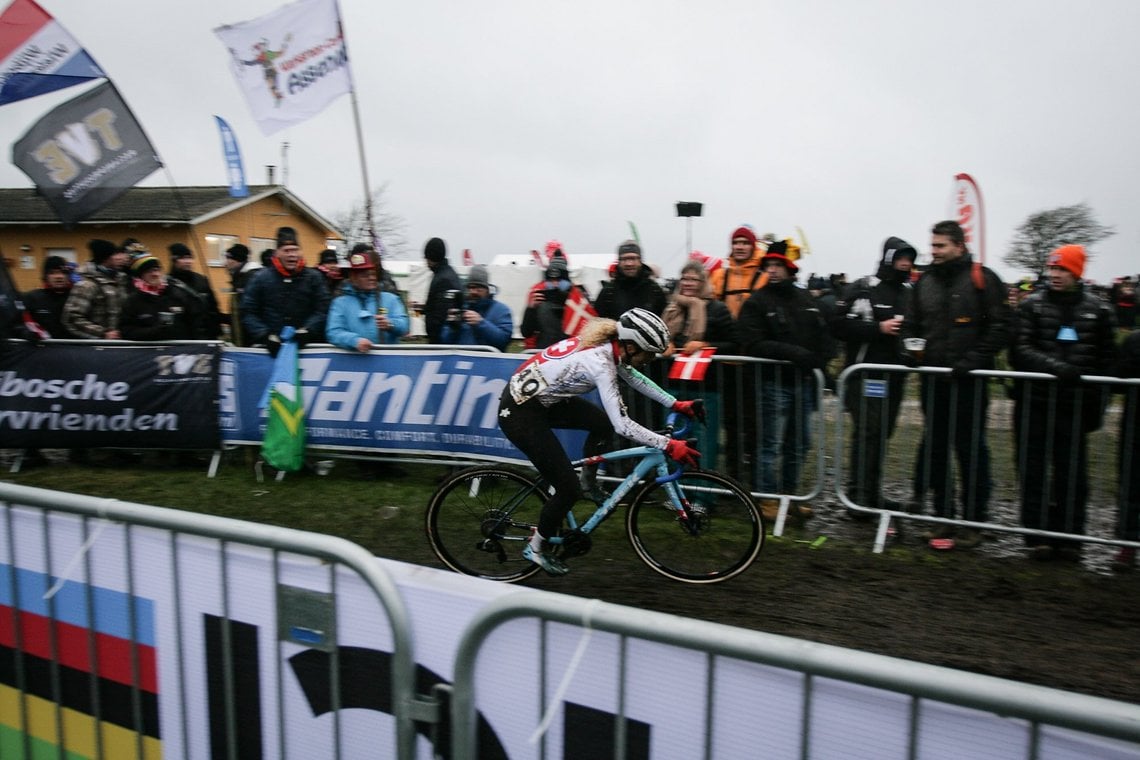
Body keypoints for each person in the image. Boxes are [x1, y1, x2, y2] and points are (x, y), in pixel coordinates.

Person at [497, 308, 703, 575]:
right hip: (521, 412)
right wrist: (668, 444)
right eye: (648, 353)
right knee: (567, 489)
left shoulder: (611, 348)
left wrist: (675, 403)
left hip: (541, 402)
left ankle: (588, 482)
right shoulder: (600, 361)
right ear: (629, 346)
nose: (649, 360)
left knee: (600, 425)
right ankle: (535, 548)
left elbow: (633, 377)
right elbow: (623, 425)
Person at [901, 220, 1012, 548]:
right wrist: (909, 349)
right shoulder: (923, 283)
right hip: (933, 380)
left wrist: (971, 362)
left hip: (969, 382)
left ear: (959, 247)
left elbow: (1002, 327)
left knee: (971, 450)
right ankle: (942, 518)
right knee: (936, 448)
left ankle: (974, 521)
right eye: (932, 245)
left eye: (940, 246)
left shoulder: (983, 279)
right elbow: (910, 324)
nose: (933, 251)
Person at [1009, 245, 1116, 561]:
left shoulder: (1099, 311)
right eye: (1052, 269)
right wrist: (1057, 369)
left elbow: (1106, 360)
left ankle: (1070, 537)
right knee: (1033, 470)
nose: (1055, 275)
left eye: (1063, 270)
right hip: (1035, 402)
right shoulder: (1032, 307)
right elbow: (1020, 350)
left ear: (1077, 272)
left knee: (1072, 473)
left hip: (1074, 407)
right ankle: (1037, 537)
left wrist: (1098, 403)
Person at [737, 241, 833, 520]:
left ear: (790, 268)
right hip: (772, 383)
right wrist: (795, 354)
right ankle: (767, 499)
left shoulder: (805, 300)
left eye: (779, 265)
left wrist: (824, 360)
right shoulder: (757, 301)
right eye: (770, 266)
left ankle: (790, 496)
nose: (774, 270)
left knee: (799, 443)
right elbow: (753, 343)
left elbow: (822, 333)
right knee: (771, 444)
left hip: (803, 383)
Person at [830, 237, 917, 514]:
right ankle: (857, 497)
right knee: (868, 432)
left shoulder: (909, 292)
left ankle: (871, 493)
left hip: (895, 376)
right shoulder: (864, 287)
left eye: (910, 258)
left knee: (882, 434)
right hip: (865, 375)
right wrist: (878, 329)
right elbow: (838, 325)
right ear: (889, 257)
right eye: (901, 257)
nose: (906, 263)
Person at [661, 260, 736, 470]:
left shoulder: (717, 309)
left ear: (703, 282)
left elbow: (733, 343)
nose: (688, 283)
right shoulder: (672, 307)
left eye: (694, 279)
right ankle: (678, 490)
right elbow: (656, 336)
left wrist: (705, 344)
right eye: (685, 278)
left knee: (703, 439)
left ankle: (703, 494)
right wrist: (663, 343)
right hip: (674, 384)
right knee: (674, 437)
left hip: (706, 387)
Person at [709, 226, 768, 486]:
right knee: (730, 421)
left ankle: (754, 473)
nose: (740, 247)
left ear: (753, 246)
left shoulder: (763, 277)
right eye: (737, 242)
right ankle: (733, 473)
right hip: (727, 361)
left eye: (745, 243)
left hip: (754, 362)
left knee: (754, 422)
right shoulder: (720, 276)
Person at [241, 226, 330, 355]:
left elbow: (323, 309)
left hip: (305, 349)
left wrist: (308, 330)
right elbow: (248, 311)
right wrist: (265, 335)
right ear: (277, 253)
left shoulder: (314, 277)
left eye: (295, 250)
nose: (291, 255)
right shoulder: (260, 278)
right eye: (286, 250)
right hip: (270, 349)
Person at [326, 250, 409, 352]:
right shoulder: (340, 303)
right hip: (354, 363)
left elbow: (404, 325)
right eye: (365, 275)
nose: (371, 278)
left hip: (388, 362)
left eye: (373, 274)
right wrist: (354, 341)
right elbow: (334, 332)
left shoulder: (391, 299)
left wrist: (390, 324)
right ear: (353, 278)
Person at [119, 251, 208, 340]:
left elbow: (195, 324)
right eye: (149, 271)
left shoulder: (177, 294)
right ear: (141, 276)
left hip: (181, 350)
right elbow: (127, 331)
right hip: (147, 351)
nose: (155, 274)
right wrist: (155, 331)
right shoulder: (133, 301)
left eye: (157, 270)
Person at [62, 239, 130, 339]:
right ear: (106, 258)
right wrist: (102, 333)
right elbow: (72, 318)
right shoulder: (87, 284)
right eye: (115, 254)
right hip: (98, 346)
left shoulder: (121, 279)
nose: (120, 258)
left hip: (121, 342)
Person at [520, 255, 591, 349]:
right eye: (551, 280)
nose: (555, 284)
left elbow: (589, 325)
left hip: (572, 351)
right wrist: (530, 309)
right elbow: (526, 332)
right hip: (545, 351)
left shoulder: (578, 297)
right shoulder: (539, 298)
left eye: (559, 280)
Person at [439, 265, 514, 350]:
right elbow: (445, 341)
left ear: (487, 289)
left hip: (488, 361)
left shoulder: (501, 310)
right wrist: (452, 327)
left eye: (478, 288)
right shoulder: (460, 308)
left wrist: (481, 323)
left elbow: (503, 341)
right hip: (461, 361)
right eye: (470, 287)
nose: (473, 292)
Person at [1116, 329, 1140, 571]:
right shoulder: (1134, 339)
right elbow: (1117, 378)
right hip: (1135, 425)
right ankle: (1127, 544)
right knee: (1131, 484)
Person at [593, 240, 667, 318]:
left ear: (640, 261)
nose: (629, 263)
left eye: (633, 258)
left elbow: (664, 321)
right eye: (624, 259)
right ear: (619, 262)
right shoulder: (608, 292)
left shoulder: (654, 290)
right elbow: (598, 323)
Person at [168, 243, 223, 338]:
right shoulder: (167, 284)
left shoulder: (202, 280)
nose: (188, 261)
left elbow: (213, 308)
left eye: (190, 258)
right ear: (174, 260)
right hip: (182, 337)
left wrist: (216, 331)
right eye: (183, 258)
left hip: (206, 335)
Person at [19, 256, 76, 339]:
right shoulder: (32, 298)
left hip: (77, 349)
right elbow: (18, 323)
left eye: (63, 272)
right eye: (52, 273)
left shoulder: (78, 297)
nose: (59, 276)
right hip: (44, 349)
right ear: (45, 276)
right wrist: (25, 332)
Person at [422, 237, 461, 344]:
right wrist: (423, 308)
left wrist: (434, 337)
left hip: (441, 341)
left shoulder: (442, 279)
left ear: (430, 257)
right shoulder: (449, 273)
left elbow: (441, 312)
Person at [223, 243, 261, 345]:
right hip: (243, 340)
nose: (225, 264)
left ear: (237, 260)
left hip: (252, 342)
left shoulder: (251, 278)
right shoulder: (239, 279)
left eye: (228, 259)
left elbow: (249, 311)